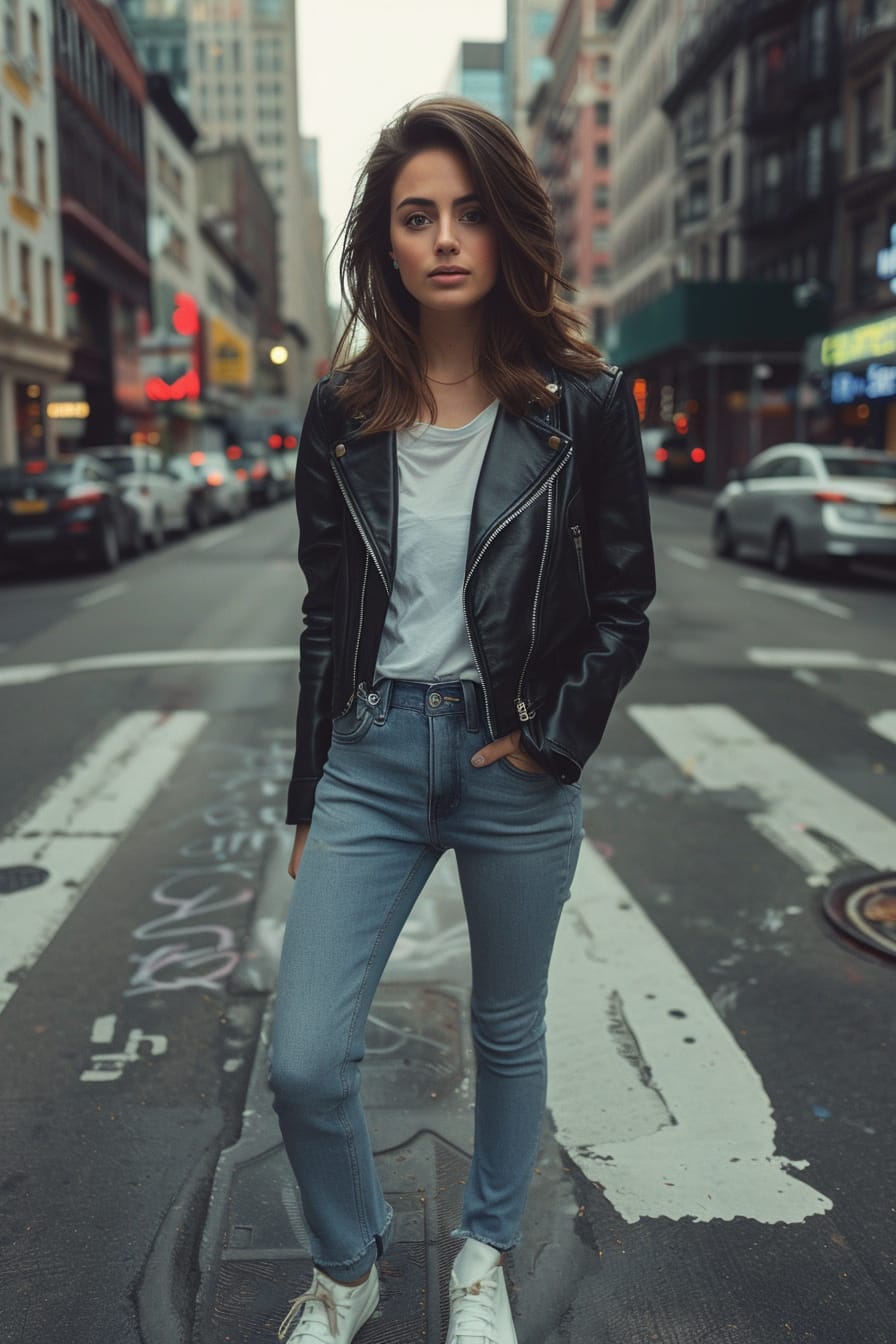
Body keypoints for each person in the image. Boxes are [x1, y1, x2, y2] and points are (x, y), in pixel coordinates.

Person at [268, 96, 655, 1344]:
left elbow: (623, 604)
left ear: (506, 231)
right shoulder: (341, 411)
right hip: (372, 754)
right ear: (383, 243)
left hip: (510, 760)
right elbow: (325, 619)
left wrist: (551, 737)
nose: (444, 238)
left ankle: (483, 1251)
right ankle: (348, 1265)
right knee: (304, 1060)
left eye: (469, 213)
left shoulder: (581, 404)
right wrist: (302, 792)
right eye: (415, 216)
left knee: (504, 1028)